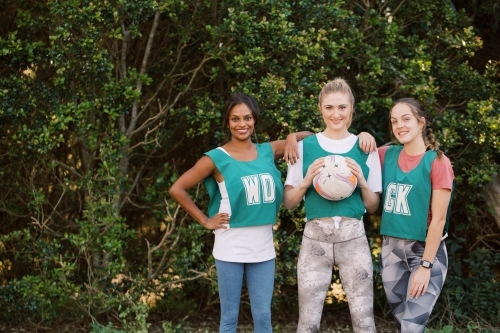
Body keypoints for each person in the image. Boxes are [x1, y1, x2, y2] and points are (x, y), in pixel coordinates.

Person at [169, 93, 311, 333]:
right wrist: (205, 220)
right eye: (235, 119)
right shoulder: (216, 158)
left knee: (263, 317)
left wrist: (290, 137)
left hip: (263, 247)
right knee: (229, 318)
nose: (242, 124)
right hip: (230, 245)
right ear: (227, 122)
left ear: (254, 120)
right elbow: (177, 189)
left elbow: (310, 136)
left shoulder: (268, 150)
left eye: (247, 118)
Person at [283, 78, 381, 333]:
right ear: (320, 109)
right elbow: (289, 203)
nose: (335, 114)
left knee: (364, 322)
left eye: (342, 107)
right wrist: (305, 181)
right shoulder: (303, 148)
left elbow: (372, 207)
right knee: (307, 323)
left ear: (351, 109)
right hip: (315, 240)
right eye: (329, 108)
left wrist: (361, 181)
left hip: (353, 238)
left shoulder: (365, 146)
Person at [378, 98, 454, 333]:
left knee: (412, 327)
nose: (399, 125)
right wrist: (363, 136)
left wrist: (425, 266)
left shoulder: (438, 162)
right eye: (394, 121)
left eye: (406, 119)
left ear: (421, 123)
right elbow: (348, 150)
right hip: (391, 251)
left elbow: (439, 220)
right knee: (402, 323)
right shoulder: (385, 155)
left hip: (425, 252)